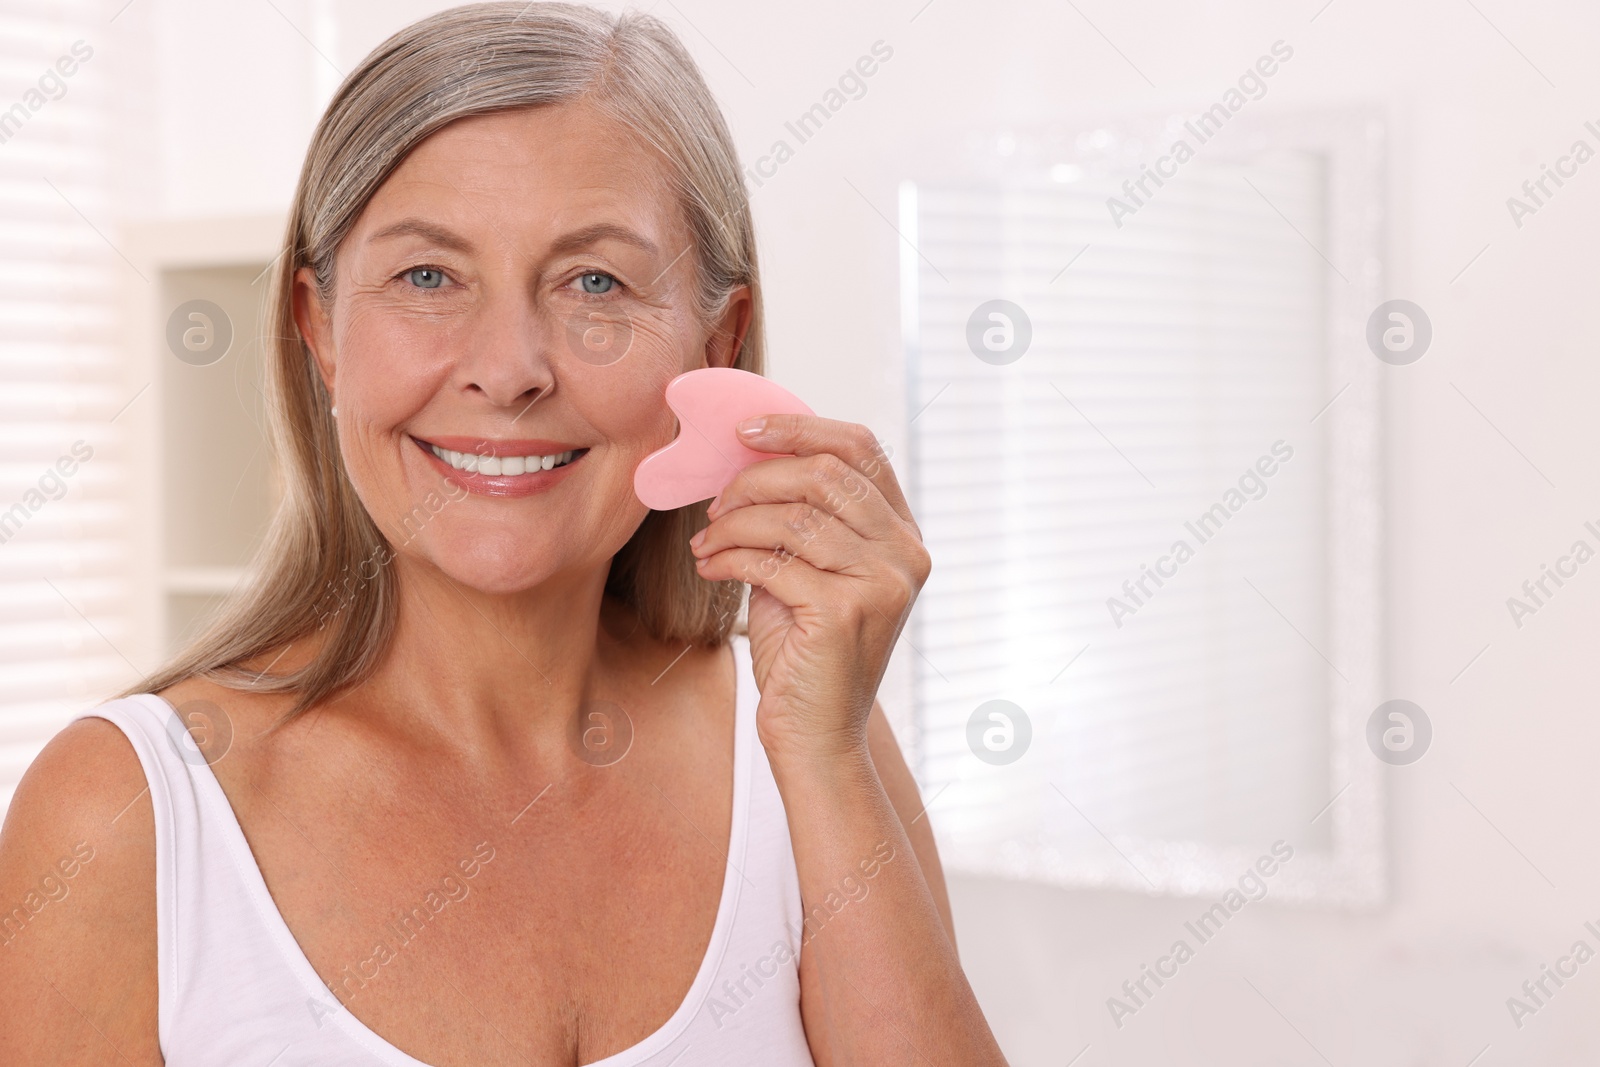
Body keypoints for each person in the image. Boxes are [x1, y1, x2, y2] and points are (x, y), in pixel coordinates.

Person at [0, 3, 1006, 1064]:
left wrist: (828, 754)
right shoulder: (126, 819)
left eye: (594, 282)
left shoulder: (810, 744)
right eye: (428, 276)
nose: (510, 365)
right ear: (320, 328)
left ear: (716, 343)